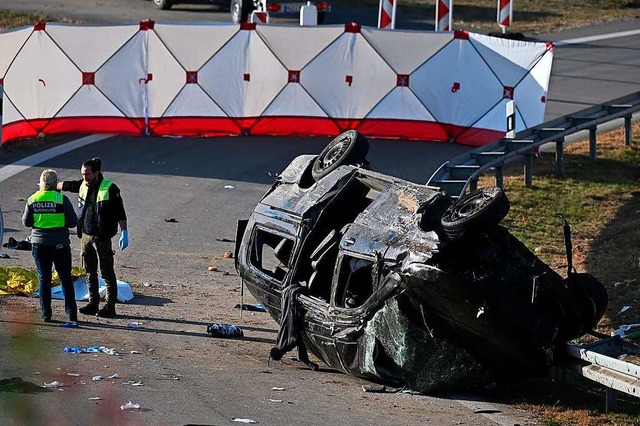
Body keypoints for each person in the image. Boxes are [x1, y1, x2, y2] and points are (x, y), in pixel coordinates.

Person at [58, 157, 128, 318]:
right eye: (83, 174)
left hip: (102, 237)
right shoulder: (83, 184)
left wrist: (125, 231)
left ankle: (110, 306)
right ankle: (93, 303)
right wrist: (52, 185)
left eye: (87, 174)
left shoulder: (110, 188)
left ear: (96, 173)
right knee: (89, 271)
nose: (84, 178)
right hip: (86, 236)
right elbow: (70, 185)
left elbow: (120, 212)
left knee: (107, 272)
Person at [23, 169, 78, 322]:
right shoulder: (61, 199)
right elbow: (73, 222)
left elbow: (26, 222)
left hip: (40, 244)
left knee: (44, 279)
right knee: (65, 279)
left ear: (41, 183)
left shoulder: (33, 199)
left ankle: (46, 314)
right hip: (60, 243)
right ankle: (71, 313)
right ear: (56, 183)